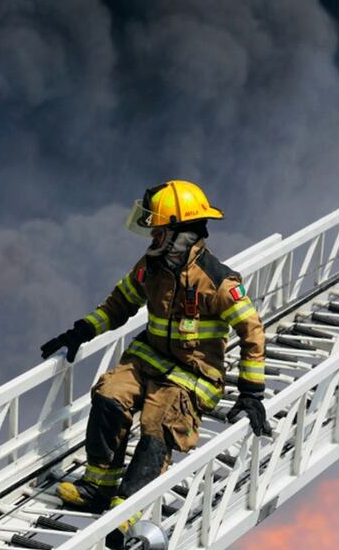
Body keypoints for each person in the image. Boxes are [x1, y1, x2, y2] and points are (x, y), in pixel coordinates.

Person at [40, 180, 269, 521]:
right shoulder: (150, 268)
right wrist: (82, 331)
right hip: (147, 362)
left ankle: (127, 510)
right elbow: (119, 305)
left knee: (157, 423)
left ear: (181, 234)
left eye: (158, 233)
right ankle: (98, 487)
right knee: (108, 395)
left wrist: (251, 393)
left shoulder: (218, 282)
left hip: (193, 378)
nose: (152, 239)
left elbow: (252, 332)